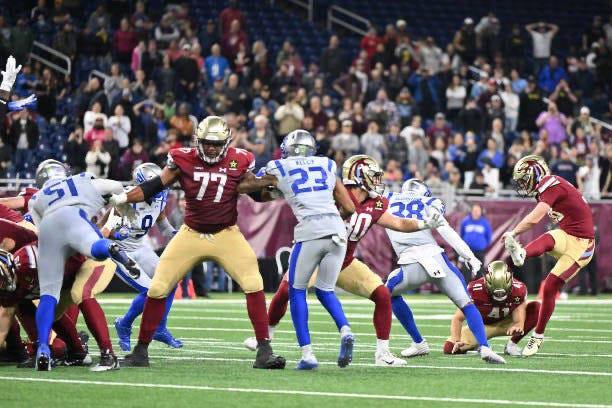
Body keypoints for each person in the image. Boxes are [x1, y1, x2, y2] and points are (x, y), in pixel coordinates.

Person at [109, 116, 285, 369]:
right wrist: (124, 197)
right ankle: (140, 351)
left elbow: (256, 193)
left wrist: (273, 191)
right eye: (206, 143)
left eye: (216, 143)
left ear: (225, 143)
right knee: (158, 287)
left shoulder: (240, 159)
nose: (211, 148)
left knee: (254, 283)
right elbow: (154, 185)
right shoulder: (183, 158)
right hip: (190, 233)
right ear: (198, 141)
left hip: (226, 233)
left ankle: (264, 351)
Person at [243, 155, 443, 366]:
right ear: (359, 176)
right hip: (317, 254)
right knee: (286, 291)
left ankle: (382, 354)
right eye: (373, 176)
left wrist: (424, 224)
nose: (377, 181)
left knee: (382, 294)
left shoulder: (376, 203)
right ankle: (264, 338)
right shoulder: (334, 191)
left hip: (344, 261)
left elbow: (399, 224)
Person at [237, 130, 356, 370]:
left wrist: (260, 182)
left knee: (297, 291)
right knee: (325, 290)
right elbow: (350, 207)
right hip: (337, 229)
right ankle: (345, 330)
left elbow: (246, 186)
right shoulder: (327, 163)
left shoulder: (278, 166)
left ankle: (308, 354)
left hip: (310, 230)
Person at [28, 161, 142, 371]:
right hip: (84, 238)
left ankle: (43, 349)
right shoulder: (82, 180)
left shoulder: (36, 199)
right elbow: (116, 186)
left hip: (52, 233)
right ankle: (100, 354)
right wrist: (122, 205)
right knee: (92, 250)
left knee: (50, 296)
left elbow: (37, 231)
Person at [383, 179, 506, 364]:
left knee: (387, 294)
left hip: (410, 264)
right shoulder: (431, 202)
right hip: (437, 259)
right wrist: (469, 257)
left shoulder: (387, 199)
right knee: (466, 304)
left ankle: (418, 342)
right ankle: (485, 348)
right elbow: (446, 230)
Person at [504, 155, 595, 357]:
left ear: (534, 174)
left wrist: (513, 233)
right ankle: (522, 253)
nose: (521, 184)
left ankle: (538, 335)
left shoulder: (550, 184)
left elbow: (534, 218)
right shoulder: (548, 185)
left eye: (523, 178)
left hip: (582, 244)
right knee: (549, 238)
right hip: (568, 234)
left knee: (551, 285)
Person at [110, 163, 181, 351]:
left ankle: (160, 328)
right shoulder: (125, 199)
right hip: (120, 252)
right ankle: (124, 324)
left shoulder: (160, 197)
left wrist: (178, 235)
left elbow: (164, 226)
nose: (157, 190)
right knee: (151, 291)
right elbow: (104, 232)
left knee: (171, 281)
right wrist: (116, 234)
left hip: (140, 248)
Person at [444, 261, 541, 356]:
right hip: (481, 327)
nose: (499, 295)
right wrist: (456, 340)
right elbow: (458, 318)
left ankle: (512, 345)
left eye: (503, 293)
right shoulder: (475, 290)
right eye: (496, 293)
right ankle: (478, 344)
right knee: (450, 348)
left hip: (506, 324)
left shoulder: (518, 289)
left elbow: (519, 313)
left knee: (537, 308)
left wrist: (519, 325)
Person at [459, 204, 492, 279]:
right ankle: (466, 288)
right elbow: (461, 234)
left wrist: (483, 245)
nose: (476, 212)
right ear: (471, 211)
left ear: (481, 212)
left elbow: (489, 237)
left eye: (477, 211)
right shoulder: (465, 221)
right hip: (467, 251)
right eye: (474, 210)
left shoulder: (485, 223)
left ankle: (478, 288)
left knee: (479, 270)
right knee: (466, 269)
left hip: (480, 251)